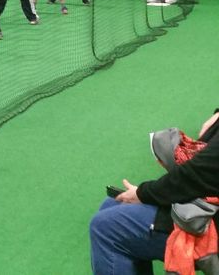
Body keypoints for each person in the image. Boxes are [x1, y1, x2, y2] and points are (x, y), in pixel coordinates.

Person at [89, 110, 219, 274]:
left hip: (208, 218)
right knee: (112, 205)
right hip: (203, 199)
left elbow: (197, 175)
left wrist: (143, 194)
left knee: (105, 228)